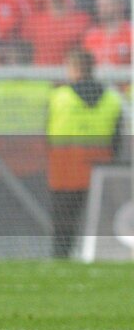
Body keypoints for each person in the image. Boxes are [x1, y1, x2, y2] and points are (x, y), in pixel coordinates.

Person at [46, 50, 123, 258]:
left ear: (75, 69)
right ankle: (104, 255)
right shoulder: (112, 99)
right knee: (102, 220)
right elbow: (116, 139)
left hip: (65, 171)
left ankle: (61, 257)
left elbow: (47, 133)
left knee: (64, 223)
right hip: (100, 172)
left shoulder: (59, 97)